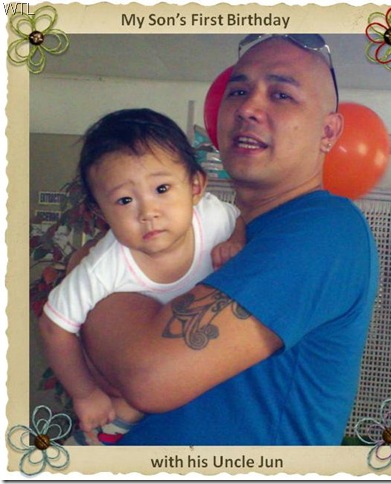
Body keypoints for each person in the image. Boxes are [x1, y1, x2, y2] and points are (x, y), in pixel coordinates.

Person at [76, 34, 379, 445]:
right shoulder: (205, 227)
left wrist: (87, 280)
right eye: (238, 91)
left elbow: (150, 376)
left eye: (281, 95)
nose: (247, 108)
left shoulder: (326, 228)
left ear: (328, 132)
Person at [38, 108, 245, 445]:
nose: (148, 212)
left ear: (195, 186)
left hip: (195, 358)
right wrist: (85, 393)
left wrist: (236, 240)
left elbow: (241, 218)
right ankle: (93, 443)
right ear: (100, 212)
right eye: (124, 200)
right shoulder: (103, 266)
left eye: (162, 188)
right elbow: (53, 326)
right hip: (132, 370)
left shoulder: (212, 217)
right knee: (125, 406)